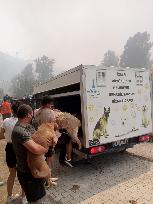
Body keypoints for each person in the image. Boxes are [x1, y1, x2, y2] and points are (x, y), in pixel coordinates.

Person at [12, 104, 51, 203]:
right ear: (29, 115)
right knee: (36, 201)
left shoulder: (28, 127)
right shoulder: (19, 131)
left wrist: (46, 141)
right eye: (32, 114)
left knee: (39, 197)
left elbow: (39, 139)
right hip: (28, 173)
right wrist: (46, 148)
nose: (33, 115)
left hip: (35, 169)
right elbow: (35, 149)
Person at [0, 102, 27, 204]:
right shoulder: (24, 122)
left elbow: (1, 136)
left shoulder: (6, 121)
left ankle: (9, 197)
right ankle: (23, 197)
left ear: (12, 110)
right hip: (22, 148)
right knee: (23, 173)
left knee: (12, 173)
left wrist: (8, 136)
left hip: (10, 148)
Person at [34, 96, 56, 173]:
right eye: (50, 103)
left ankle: (42, 174)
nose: (51, 105)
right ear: (47, 103)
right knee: (49, 158)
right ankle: (47, 177)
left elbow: (36, 120)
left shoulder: (36, 111)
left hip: (39, 135)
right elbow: (53, 125)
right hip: (48, 136)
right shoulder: (51, 112)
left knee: (41, 157)